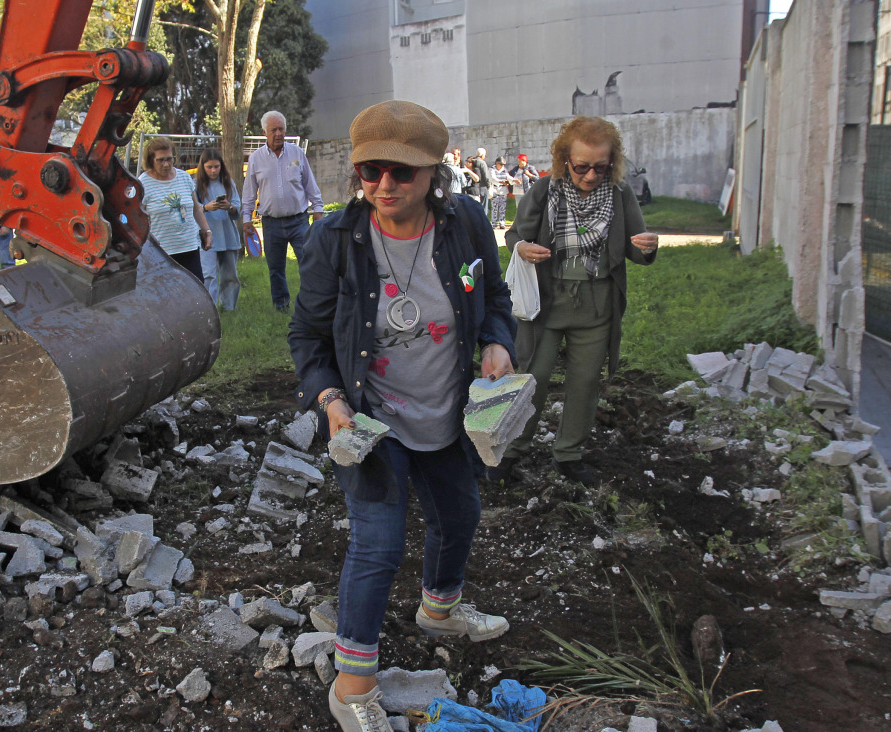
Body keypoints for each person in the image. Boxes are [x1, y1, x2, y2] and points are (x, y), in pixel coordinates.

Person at [288, 100, 517, 732]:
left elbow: (494, 297)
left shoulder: (465, 223)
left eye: (400, 173)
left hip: (447, 413)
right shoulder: (334, 240)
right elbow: (306, 338)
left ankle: (439, 610)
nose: (383, 186)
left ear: (433, 174)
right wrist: (332, 403)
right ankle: (352, 684)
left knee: (459, 513)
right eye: (369, 172)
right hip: (370, 418)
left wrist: (497, 340)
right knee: (378, 544)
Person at [491, 116, 659, 486]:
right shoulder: (544, 190)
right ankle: (511, 451)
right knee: (531, 377)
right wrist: (521, 246)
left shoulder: (620, 194)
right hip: (547, 303)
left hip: (597, 304)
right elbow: (515, 234)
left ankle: (569, 455)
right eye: (581, 166)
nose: (590, 175)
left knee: (584, 383)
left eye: (600, 167)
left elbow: (636, 246)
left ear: (612, 163)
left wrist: (648, 247)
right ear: (565, 159)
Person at [240, 110, 325, 312]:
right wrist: (246, 219)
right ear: (264, 132)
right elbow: (249, 193)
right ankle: (281, 306)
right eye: (273, 130)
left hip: (299, 221)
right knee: (276, 269)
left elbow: (310, 185)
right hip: (271, 224)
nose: (278, 133)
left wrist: (318, 209)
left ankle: (311, 305)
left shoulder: (297, 154)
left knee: (308, 264)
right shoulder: (256, 159)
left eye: (281, 129)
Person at [138, 137, 212, 280]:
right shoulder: (143, 183)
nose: (166, 164)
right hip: (161, 252)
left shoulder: (184, 177)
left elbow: (196, 209)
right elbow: (137, 219)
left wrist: (207, 230)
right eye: (160, 160)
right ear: (150, 160)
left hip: (189, 246)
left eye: (169, 159)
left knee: (195, 292)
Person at [194, 148, 243, 310]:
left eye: (216, 166)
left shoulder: (228, 183)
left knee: (230, 275)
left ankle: (229, 306)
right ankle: (210, 309)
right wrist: (206, 207)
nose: (213, 170)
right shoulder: (196, 185)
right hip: (207, 236)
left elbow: (237, 204)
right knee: (208, 275)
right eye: (209, 167)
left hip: (227, 234)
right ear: (203, 167)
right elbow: (192, 208)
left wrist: (229, 207)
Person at [489, 156, 513, 229]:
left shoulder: (504, 170)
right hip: (495, 190)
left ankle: (502, 223)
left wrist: (514, 180)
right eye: (501, 164)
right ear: (497, 163)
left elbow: (508, 177)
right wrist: (501, 181)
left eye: (503, 164)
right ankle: (494, 223)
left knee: (502, 208)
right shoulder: (492, 169)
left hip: (503, 190)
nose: (502, 166)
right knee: (495, 208)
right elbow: (493, 179)